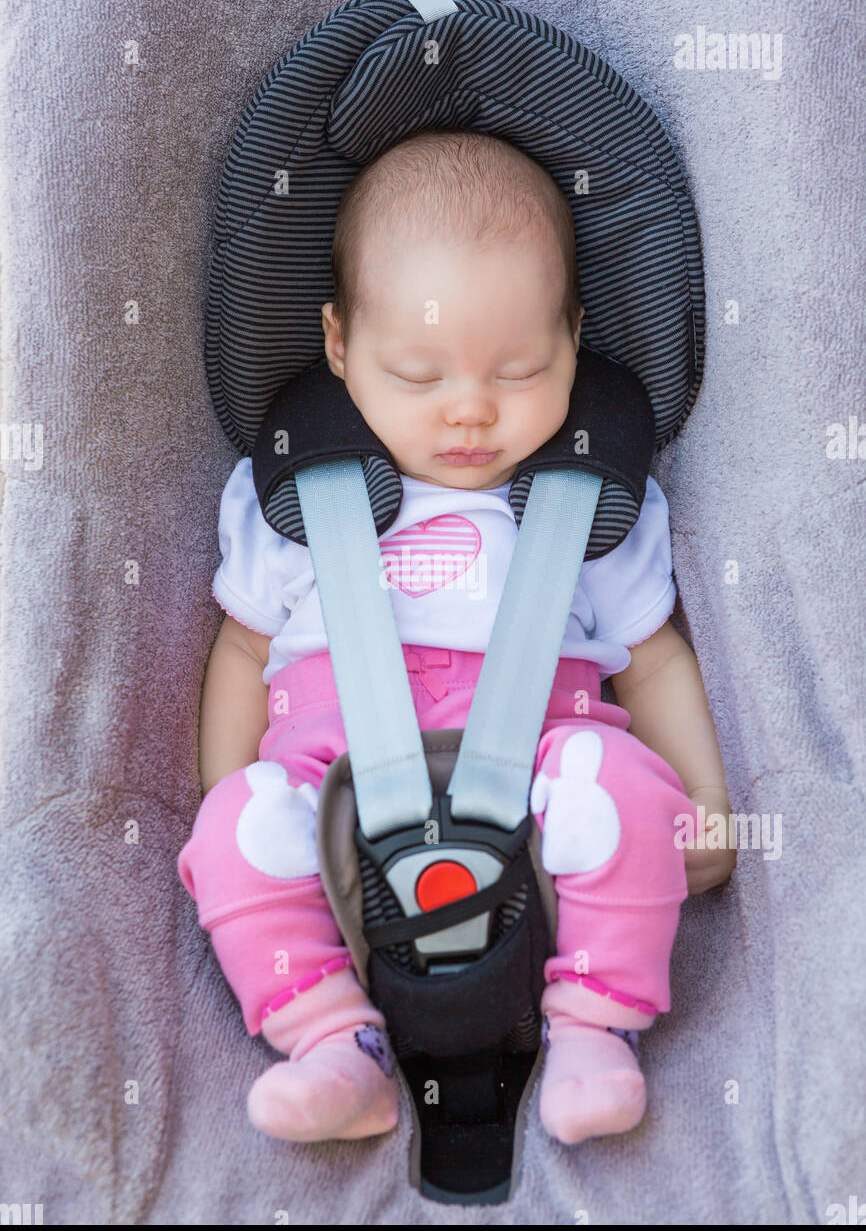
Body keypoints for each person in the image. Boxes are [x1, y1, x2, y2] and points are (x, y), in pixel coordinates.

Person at [178, 130, 735, 1148]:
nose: (472, 410)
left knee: (620, 786)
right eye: (417, 373)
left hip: (545, 799)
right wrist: (221, 790)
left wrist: (702, 798)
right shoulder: (297, 504)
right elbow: (244, 652)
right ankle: (329, 1040)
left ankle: (593, 1028)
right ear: (340, 347)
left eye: (521, 368)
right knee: (236, 835)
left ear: (573, 338)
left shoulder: (594, 505)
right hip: (332, 799)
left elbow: (649, 655)